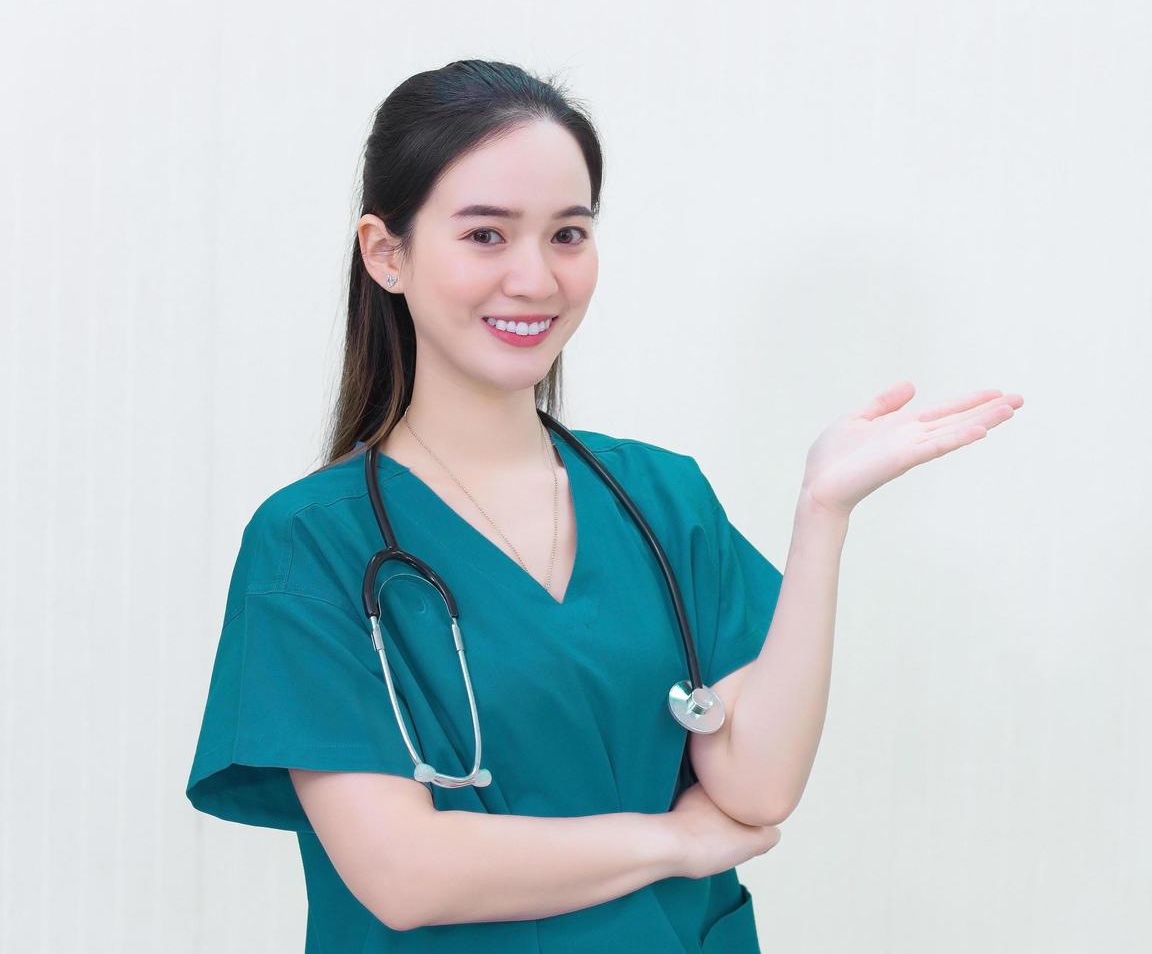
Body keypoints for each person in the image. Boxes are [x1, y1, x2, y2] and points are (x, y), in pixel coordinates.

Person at [185, 58, 1023, 953]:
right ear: (387, 254)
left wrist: (823, 516)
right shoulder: (312, 543)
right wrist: (672, 840)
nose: (537, 279)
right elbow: (403, 873)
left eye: (568, 235)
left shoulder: (661, 501)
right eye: (485, 236)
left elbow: (757, 787)